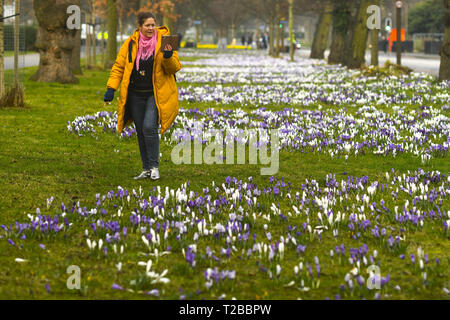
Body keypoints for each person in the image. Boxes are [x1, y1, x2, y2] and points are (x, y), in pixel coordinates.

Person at [104, 12, 181, 180]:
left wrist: (168, 57)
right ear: (139, 26)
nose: (151, 28)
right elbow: (119, 66)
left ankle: (154, 167)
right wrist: (111, 88)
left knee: (148, 127)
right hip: (135, 94)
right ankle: (146, 168)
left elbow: (174, 68)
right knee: (140, 130)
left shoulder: (164, 40)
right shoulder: (131, 44)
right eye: (147, 25)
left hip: (155, 94)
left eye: (153, 25)